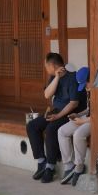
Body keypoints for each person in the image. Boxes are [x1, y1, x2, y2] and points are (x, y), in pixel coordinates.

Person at [27, 54, 85, 184]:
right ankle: (41, 161)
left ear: (52, 65)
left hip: (69, 113)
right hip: (56, 111)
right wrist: (57, 77)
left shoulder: (72, 78)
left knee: (51, 128)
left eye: (46, 66)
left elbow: (73, 103)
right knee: (32, 125)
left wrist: (58, 116)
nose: (46, 68)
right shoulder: (53, 77)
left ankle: (50, 166)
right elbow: (47, 94)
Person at [57, 66, 91, 186]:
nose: (85, 87)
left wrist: (82, 121)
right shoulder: (90, 90)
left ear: (91, 79)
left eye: (85, 84)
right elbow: (89, 109)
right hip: (88, 118)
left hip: (97, 122)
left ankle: (79, 166)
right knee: (62, 131)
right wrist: (78, 115)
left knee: (78, 134)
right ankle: (69, 165)